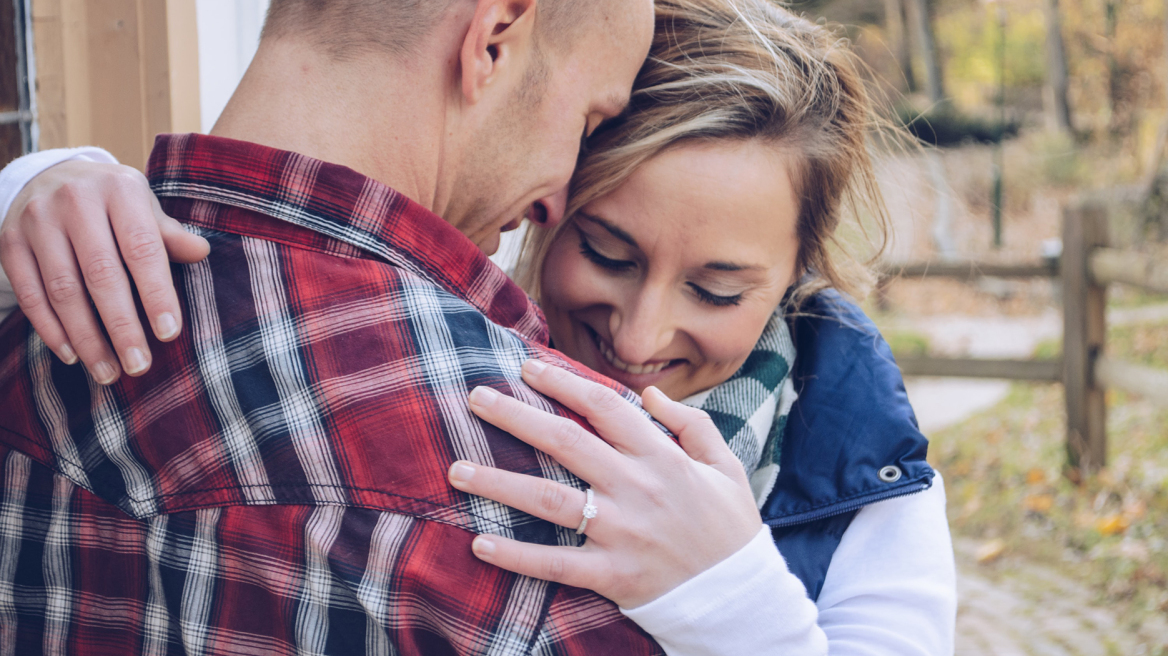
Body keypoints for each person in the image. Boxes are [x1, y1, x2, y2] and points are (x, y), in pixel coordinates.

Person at [0, 1, 956, 654]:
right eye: (609, 250)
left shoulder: (860, 467)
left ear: (798, 275)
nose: (637, 335)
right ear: (491, 38)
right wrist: (35, 180)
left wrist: (741, 600)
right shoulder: (514, 490)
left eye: (718, 288)